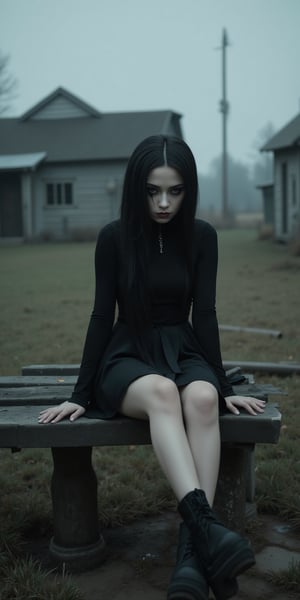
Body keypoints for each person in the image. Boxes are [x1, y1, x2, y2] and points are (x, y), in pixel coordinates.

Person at [39, 135, 265, 600]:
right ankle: (208, 534)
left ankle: (194, 548)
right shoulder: (114, 238)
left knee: (201, 398)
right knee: (163, 393)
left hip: (183, 349)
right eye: (152, 191)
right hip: (127, 355)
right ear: (135, 189)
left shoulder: (202, 236)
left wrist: (221, 385)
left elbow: (204, 314)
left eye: (175, 191)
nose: (163, 203)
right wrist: (79, 394)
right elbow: (102, 315)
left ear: (189, 190)